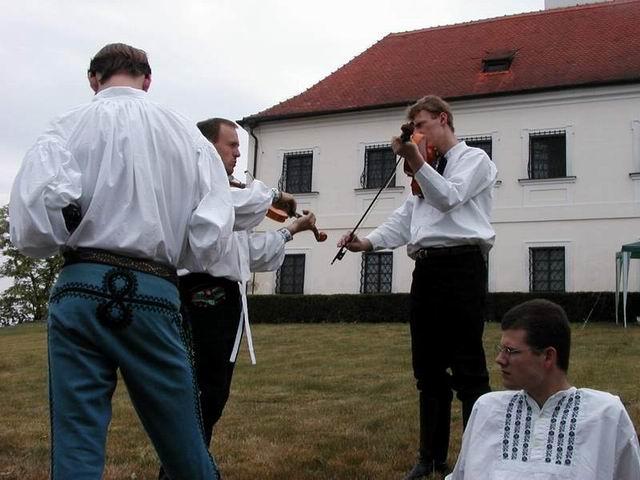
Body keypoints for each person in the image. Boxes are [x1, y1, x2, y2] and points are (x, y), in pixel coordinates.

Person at [9, 43, 234, 479]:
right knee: (184, 441)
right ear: (147, 80)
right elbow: (210, 234)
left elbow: (33, 229)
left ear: (93, 79)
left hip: (79, 287)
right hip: (155, 290)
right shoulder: (187, 135)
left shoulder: (64, 128)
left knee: (76, 441)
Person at [338, 95, 497, 478]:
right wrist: (367, 242)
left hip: (462, 266)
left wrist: (414, 158)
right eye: (412, 130)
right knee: (427, 369)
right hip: (426, 270)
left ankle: (478, 460)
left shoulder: (474, 160)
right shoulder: (423, 171)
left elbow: (448, 198)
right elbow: (405, 219)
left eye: (421, 125)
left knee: (468, 369)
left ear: (443, 119)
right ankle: (430, 457)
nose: (416, 134)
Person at [158, 118, 317, 479]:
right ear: (207, 147)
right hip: (202, 295)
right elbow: (242, 205)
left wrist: (291, 230)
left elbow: (246, 253)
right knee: (202, 392)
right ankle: (183, 471)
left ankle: (184, 469)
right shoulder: (200, 188)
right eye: (231, 145)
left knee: (211, 393)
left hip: (223, 297)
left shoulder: (225, 201)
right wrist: (275, 195)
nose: (237, 154)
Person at [446, 299, 640, 479]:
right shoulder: (487, 408)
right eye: (501, 349)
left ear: (548, 356)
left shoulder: (605, 415)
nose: (500, 359)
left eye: (510, 351)